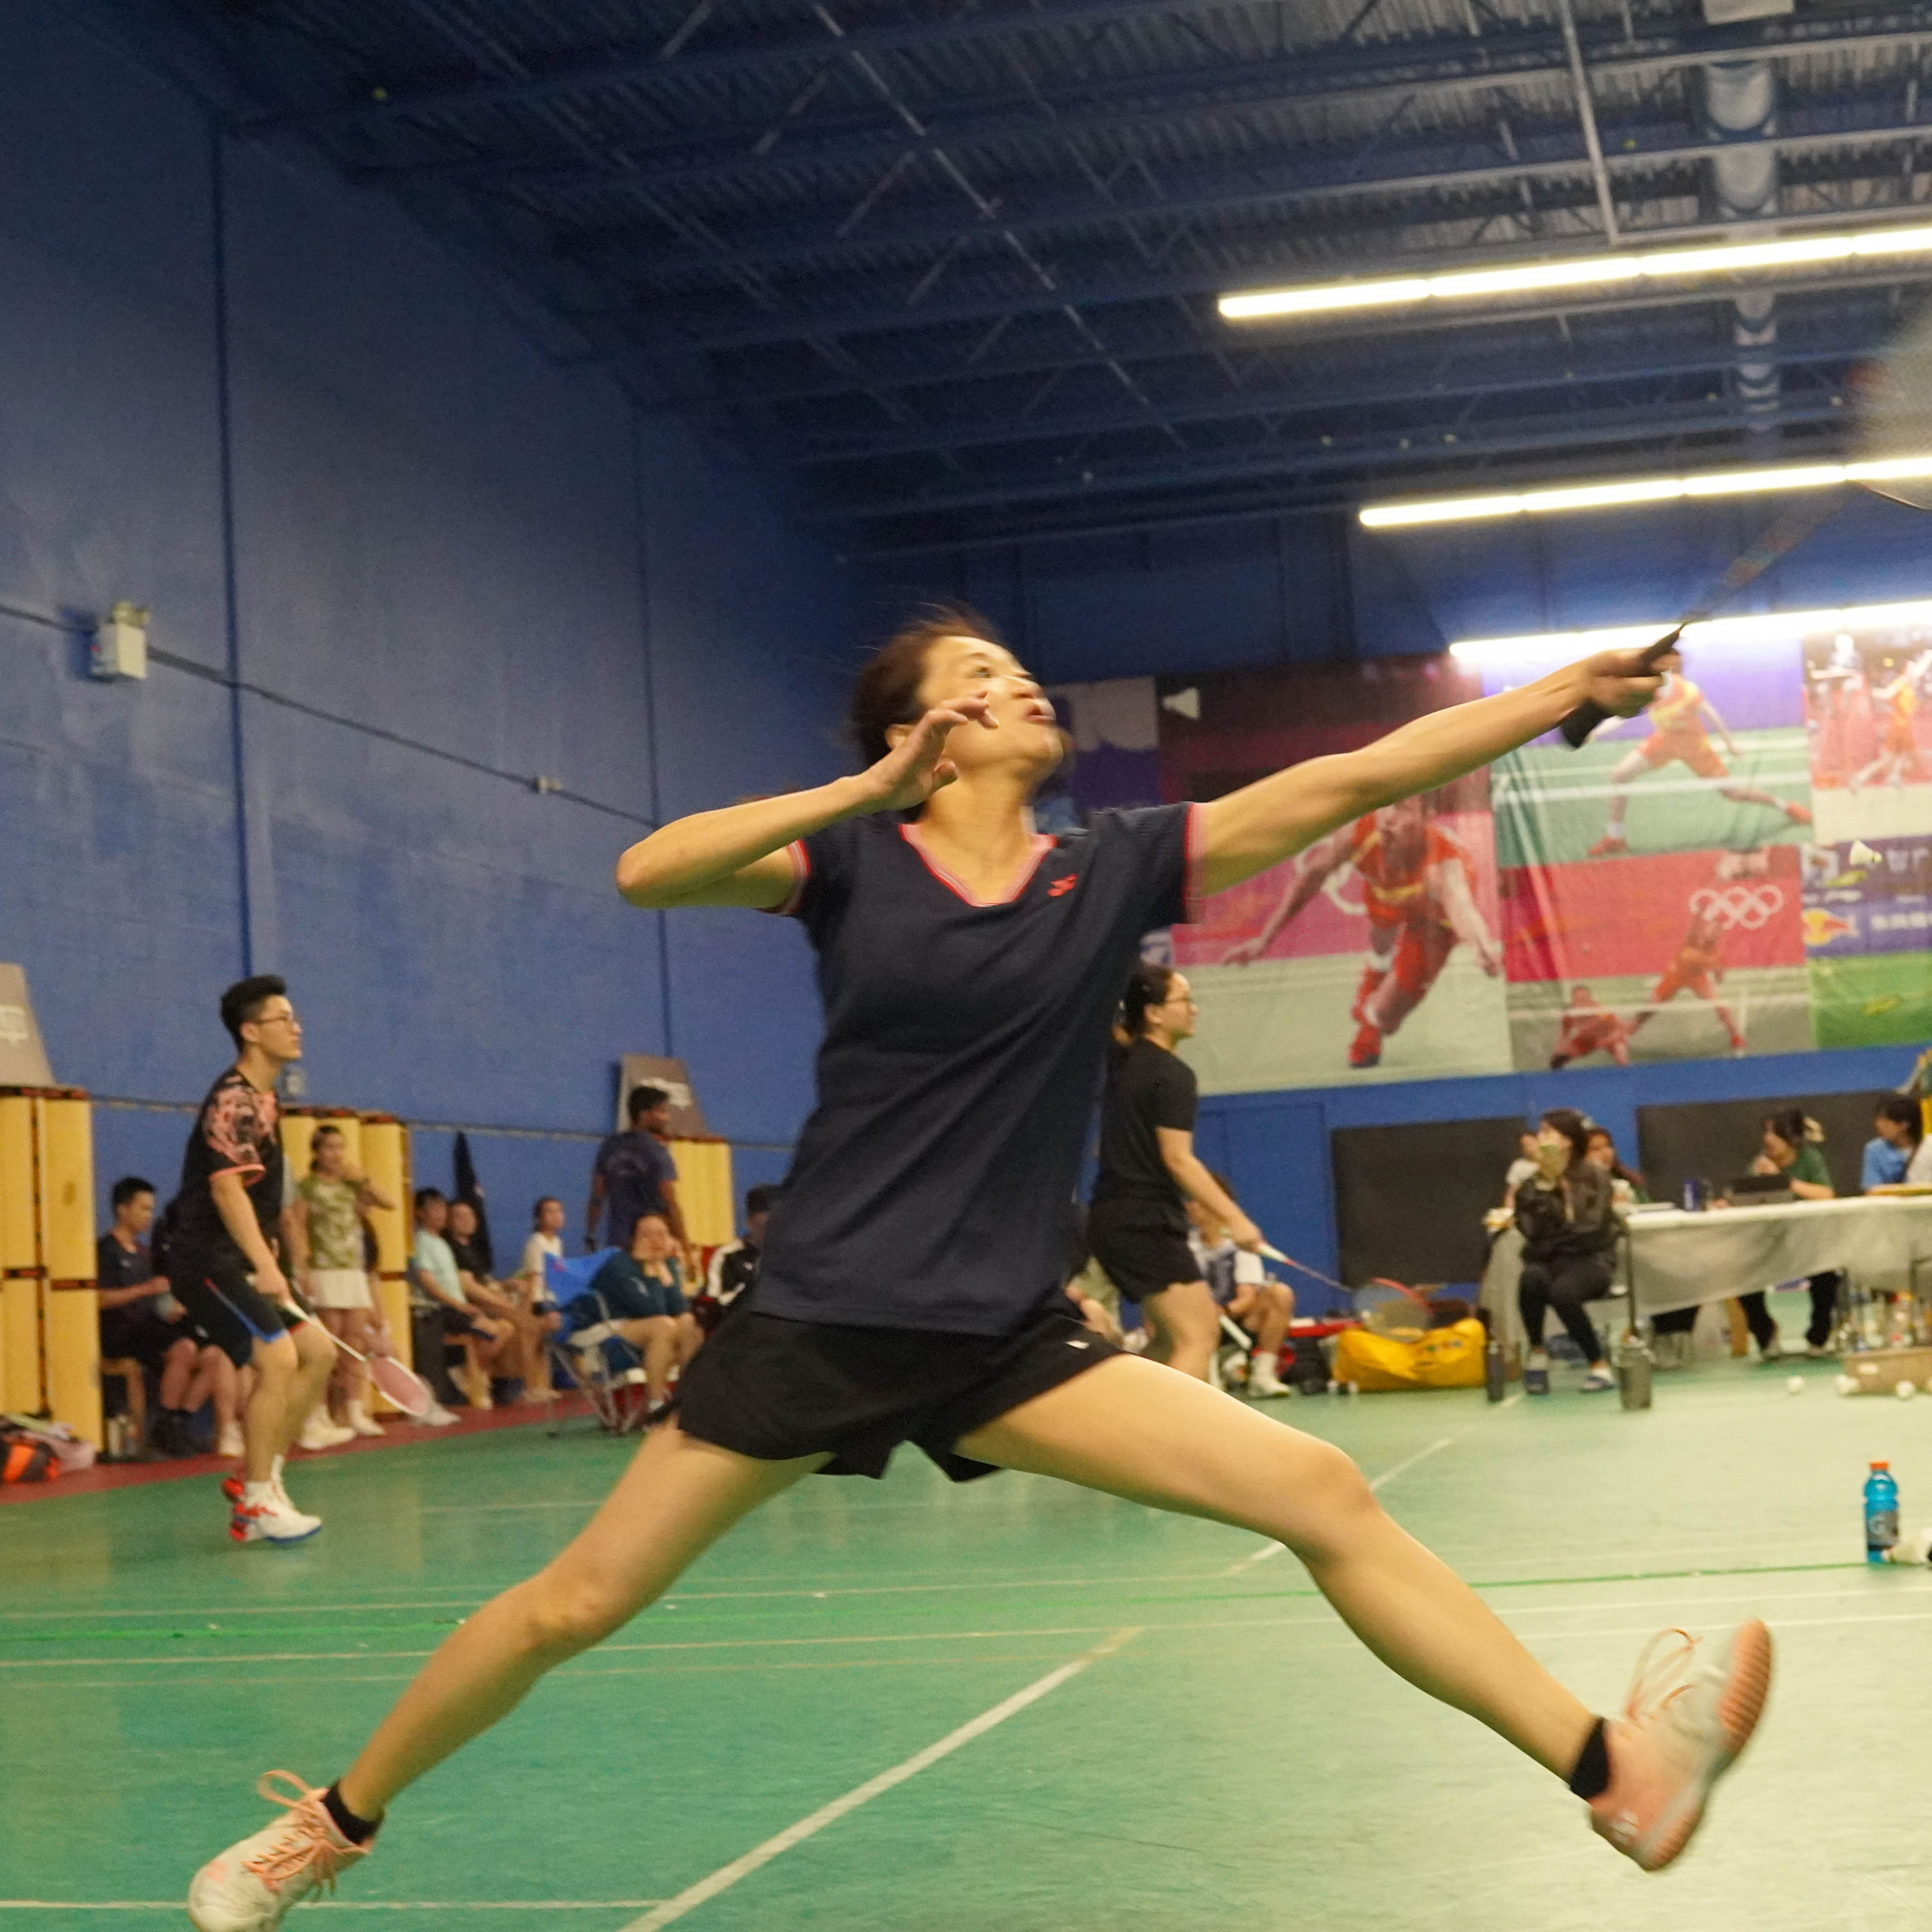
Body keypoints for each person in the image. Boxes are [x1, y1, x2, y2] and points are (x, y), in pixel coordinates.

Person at [189, 611, 1770, 1931]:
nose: (1017, 685)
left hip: (1007, 1336)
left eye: (1017, 671)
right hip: (815, 1317)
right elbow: (648, 869)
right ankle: (331, 1820)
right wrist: (860, 787)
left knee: (1320, 1495)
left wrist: (1561, 692)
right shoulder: (852, 869)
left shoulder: (1109, 870)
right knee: (570, 1604)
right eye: (981, 674)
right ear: (923, 730)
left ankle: (1609, 1770)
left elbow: (1353, 774)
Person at [162, 975, 335, 1545]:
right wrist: (266, 1264)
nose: (297, 1026)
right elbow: (226, 1190)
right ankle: (259, 1500)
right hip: (204, 1258)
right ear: (251, 1031)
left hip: (241, 1252)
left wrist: (270, 1247)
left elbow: (254, 1193)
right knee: (278, 1356)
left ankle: (263, 1480)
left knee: (319, 1351)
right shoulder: (234, 1098)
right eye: (284, 1018)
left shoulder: (266, 1099)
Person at [1223, 795, 1500, 1069]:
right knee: (1381, 935)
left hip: (1433, 920)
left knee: (1388, 1015)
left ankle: (1373, 1018)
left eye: (1402, 809)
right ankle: (1375, 977)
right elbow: (1311, 876)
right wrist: (1264, 940)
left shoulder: (1443, 864)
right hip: (1386, 892)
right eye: (1384, 806)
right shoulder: (1362, 833)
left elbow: (1461, 907)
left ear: (1426, 817)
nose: (1388, 818)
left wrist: (1481, 946)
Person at [1087, 962, 1268, 1382]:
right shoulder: (1172, 1076)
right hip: (1143, 1221)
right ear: (1153, 1012)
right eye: (1184, 1000)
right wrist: (1236, 1219)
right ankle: (1180, 1444)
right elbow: (1179, 1159)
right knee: (1198, 1336)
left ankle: (1119, 1425)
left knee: (1169, 1341)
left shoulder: (1122, 1062)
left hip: (1112, 1218)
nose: (1194, 1009)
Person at [1587, 645, 1811, 857]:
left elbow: (1710, 714)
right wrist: (1596, 732)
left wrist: (1729, 743)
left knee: (1732, 793)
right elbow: (1621, 716)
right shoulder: (1645, 690)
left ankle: (1786, 806)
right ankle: (1615, 837)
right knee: (1620, 775)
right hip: (1664, 742)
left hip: (1694, 747)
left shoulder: (1687, 690)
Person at [97, 1175, 243, 1458]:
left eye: (152, 1209)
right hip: (120, 1331)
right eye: (143, 1209)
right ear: (122, 1209)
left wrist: (174, 1306)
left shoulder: (144, 1253)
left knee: (216, 1355)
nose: (149, 1216)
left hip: (150, 1328)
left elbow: (158, 1298)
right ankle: (164, 1424)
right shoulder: (106, 1251)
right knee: (184, 1349)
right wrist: (145, 1289)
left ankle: (179, 1422)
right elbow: (98, 1299)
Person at [290, 1125, 396, 1444]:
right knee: (328, 1347)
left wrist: (361, 1178)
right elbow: (296, 1226)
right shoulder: (307, 1186)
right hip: (324, 1271)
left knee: (355, 1344)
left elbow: (388, 1202)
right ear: (316, 1152)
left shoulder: (352, 1185)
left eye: (340, 1147)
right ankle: (317, 1414)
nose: (336, 1154)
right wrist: (302, 1268)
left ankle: (354, 1409)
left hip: (353, 1272)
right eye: (329, 1148)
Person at [1514, 1109, 1620, 1396]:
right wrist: (1546, 1188)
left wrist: (1556, 1240)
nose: (1541, 1138)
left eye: (1549, 1132)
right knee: (1530, 1281)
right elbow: (1529, 1229)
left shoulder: (1595, 1176)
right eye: (1541, 1133)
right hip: (1548, 1260)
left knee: (1563, 1292)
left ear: (1569, 1140)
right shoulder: (1532, 1184)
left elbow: (1593, 1227)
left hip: (1591, 1260)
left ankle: (1598, 1365)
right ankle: (1537, 1353)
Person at [1724, 1107, 1839, 1362]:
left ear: (1793, 1138)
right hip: (1768, 1243)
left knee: (1827, 1277)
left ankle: (1818, 1336)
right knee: (1742, 1278)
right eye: (1766, 1133)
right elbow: (1743, 1198)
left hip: (1808, 1241)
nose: (1768, 1140)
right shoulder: (1759, 1163)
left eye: (1775, 1133)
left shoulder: (1810, 1159)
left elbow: (1826, 1194)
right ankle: (1766, 1335)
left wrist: (1783, 1181)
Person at [577, 1211, 701, 1411]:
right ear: (633, 1239)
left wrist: (661, 1268)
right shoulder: (619, 1265)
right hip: (605, 1329)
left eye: (662, 1234)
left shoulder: (668, 1263)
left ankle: (687, 1400)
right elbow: (650, 1310)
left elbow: (679, 1308)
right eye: (647, 1235)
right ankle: (656, 1407)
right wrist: (654, 1269)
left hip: (649, 1328)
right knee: (663, 1326)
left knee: (688, 1322)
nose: (656, 1240)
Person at [1185, 1182, 1294, 1400]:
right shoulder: (1184, 1246)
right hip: (1193, 1322)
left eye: (1194, 1200)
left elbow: (1247, 1298)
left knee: (1280, 1293)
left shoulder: (1240, 1243)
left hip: (1232, 1319)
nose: (1188, 1206)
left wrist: (1221, 1312)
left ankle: (1262, 1376)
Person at [410, 1189, 518, 1409]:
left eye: (442, 1208)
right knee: (491, 1330)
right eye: (434, 1209)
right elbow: (428, 1282)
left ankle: (469, 1373)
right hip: (441, 1309)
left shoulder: (441, 1243)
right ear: (421, 1214)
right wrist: (459, 1305)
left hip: (458, 1307)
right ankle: (475, 1378)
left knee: (506, 1327)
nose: (441, 1213)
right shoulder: (421, 1241)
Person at [447, 1199, 547, 1401]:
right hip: (475, 1306)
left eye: (470, 1215)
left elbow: (484, 1280)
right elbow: (469, 1287)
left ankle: (524, 1382)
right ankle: (528, 1386)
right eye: (460, 1216)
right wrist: (501, 1302)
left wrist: (504, 1285)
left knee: (532, 1323)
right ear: (449, 1221)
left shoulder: (472, 1249)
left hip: (491, 1300)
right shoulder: (452, 1249)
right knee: (523, 1323)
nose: (467, 1220)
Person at [1628, 906, 1744, 1056]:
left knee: (1720, 1006)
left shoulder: (1715, 955)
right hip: (1674, 977)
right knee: (1650, 1008)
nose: (1714, 932)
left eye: (1718, 931)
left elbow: (1719, 980)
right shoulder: (1692, 938)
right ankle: (1628, 1032)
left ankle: (1735, 1036)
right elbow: (1694, 925)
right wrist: (1701, 911)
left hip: (1697, 980)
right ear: (1705, 929)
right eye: (1712, 928)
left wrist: (1719, 972)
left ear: (1719, 935)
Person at [586, 1085, 685, 1256]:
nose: (666, 1118)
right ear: (643, 1115)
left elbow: (597, 1196)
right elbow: (670, 1200)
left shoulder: (609, 1147)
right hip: (652, 1245)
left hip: (619, 1244)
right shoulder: (656, 1151)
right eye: (661, 1112)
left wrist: (591, 1234)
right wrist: (685, 1243)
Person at [698, 1184, 777, 1334]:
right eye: (765, 1225)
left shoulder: (788, 1256)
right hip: (739, 1329)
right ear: (750, 1222)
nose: (772, 1231)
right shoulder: (728, 1255)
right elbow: (713, 1302)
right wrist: (749, 1290)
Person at [515, 1197, 569, 1395]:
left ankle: (543, 1384)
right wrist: (527, 1311)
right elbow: (533, 1278)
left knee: (546, 1338)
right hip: (538, 1298)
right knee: (540, 1333)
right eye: (549, 1212)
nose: (556, 1216)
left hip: (552, 1298)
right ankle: (531, 1386)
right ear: (539, 1218)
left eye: (559, 1211)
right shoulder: (536, 1242)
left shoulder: (557, 1242)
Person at [1549, 985, 1632, 1070]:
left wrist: (1607, 1041)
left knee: (1621, 1058)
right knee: (1557, 1060)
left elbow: (1621, 1029)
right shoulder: (1570, 1015)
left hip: (1609, 1037)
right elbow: (1564, 1034)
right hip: (1587, 1040)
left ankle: (1625, 1076)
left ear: (1590, 1000)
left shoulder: (1602, 1012)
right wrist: (1559, 1048)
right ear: (1573, 1001)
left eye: (1585, 1000)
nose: (1582, 1004)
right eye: (1578, 1000)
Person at [1862, 1095, 1922, 1191]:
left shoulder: (1927, 1148)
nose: (1878, 1125)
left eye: (1885, 1121)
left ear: (1904, 1125)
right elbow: (1872, 1190)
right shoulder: (1874, 1150)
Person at [1584, 1127, 1647, 1209]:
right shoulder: (1577, 1188)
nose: (1606, 1153)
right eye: (1596, 1149)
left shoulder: (1630, 1180)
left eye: (1608, 1146)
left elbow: (1648, 1209)